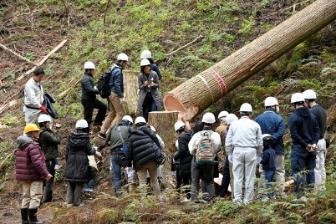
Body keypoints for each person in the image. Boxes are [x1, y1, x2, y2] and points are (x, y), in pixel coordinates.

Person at [225, 103, 263, 205]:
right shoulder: (255, 125)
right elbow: (260, 142)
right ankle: (247, 201)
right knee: (250, 177)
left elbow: (228, 141)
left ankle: (237, 200)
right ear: (250, 114)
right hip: (251, 150)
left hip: (237, 150)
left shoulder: (234, 124)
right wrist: (259, 154)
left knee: (237, 177)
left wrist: (229, 153)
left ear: (240, 113)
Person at [15, 124, 52, 224]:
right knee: (35, 196)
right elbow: (38, 163)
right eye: (36, 131)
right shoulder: (33, 146)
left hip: (24, 176)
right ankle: (33, 220)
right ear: (31, 133)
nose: (38, 132)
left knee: (26, 196)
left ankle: (24, 220)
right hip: (34, 176)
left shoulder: (20, 145)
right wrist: (46, 174)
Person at [64, 119, 101, 207]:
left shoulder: (70, 138)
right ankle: (77, 202)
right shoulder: (85, 139)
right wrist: (94, 150)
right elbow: (89, 151)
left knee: (70, 181)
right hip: (81, 161)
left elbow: (67, 151)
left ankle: (68, 202)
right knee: (79, 181)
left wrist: (68, 161)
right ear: (85, 128)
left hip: (71, 160)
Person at [289, 93, 319, 196]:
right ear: (304, 102)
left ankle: (300, 197)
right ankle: (311, 195)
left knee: (298, 172)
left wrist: (306, 145)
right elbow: (317, 131)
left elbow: (295, 135)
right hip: (312, 149)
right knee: (310, 171)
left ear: (294, 104)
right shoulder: (312, 115)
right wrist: (314, 144)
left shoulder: (294, 117)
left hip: (299, 149)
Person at [256, 97, 286, 194]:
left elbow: (256, 135)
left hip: (263, 150)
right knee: (279, 171)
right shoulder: (279, 118)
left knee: (263, 171)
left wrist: (265, 140)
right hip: (278, 149)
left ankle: (263, 194)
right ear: (274, 106)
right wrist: (271, 138)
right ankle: (279, 193)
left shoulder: (258, 119)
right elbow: (280, 133)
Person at [189, 112, 221, 202]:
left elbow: (191, 149)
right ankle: (210, 200)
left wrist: (197, 154)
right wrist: (211, 154)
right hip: (209, 161)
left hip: (197, 160)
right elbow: (218, 147)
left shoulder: (196, 135)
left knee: (194, 181)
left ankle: (193, 201)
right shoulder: (215, 135)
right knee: (209, 181)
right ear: (213, 123)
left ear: (203, 122)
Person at [128, 116, 162, 198]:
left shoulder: (132, 136)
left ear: (135, 125)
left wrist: (129, 162)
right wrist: (159, 152)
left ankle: (144, 204)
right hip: (152, 159)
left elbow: (129, 151)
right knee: (154, 180)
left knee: (142, 182)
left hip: (140, 162)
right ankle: (159, 200)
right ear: (145, 123)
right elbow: (157, 142)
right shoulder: (150, 131)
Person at [99, 53, 129, 138]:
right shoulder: (118, 71)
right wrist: (121, 96)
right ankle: (110, 133)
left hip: (109, 94)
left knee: (112, 113)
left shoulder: (112, 68)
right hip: (115, 94)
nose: (125, 64)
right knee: (121, 113)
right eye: (125, 62)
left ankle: (102, 131)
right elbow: (117, 84)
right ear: (122, 62)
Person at [303, 89, 327, 191]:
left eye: (305, 101)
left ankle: (317, 190)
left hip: (315, 141)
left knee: (316, 167)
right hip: (323, 141)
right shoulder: (322, 110)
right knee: (322, 166)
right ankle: (323, 187)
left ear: (308, 100)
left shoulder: (311, 112)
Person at [105, 115, 133, 196]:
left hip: (114, 154)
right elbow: (134, 137)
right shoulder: (128, 128)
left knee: (117, 176)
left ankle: (119, 194)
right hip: (124, 153)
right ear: (128, 122)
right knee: (129, 171)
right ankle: (131, 191)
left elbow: (106, 140)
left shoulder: (113, 127)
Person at [37, 114, 60, 203]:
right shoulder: (45, 133)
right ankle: (46, 199)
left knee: (47, 178)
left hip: (47, 158)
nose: (49, 124)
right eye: (48, 122)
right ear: (44, 123)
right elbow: (57, 140)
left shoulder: (43, 133)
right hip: (49, 158)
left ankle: (44, 198)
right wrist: (57, 131)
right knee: (49, 178)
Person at [81, 61, 107, 131]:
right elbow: (89, 89)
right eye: (93, 70)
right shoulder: (86, 78)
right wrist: (97, 90)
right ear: (89, 70)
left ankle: (97, 122)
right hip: (87, 100)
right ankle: (84, 132)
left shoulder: (89, 77)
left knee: (103, 107)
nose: (94, 71)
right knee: (88, 117)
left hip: (91, 99)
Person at [219, 113, 238, 198]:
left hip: (229, 155)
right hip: (235, 155)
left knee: (226, 176)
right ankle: (234, 195)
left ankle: (222, 194)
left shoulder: (225, 130)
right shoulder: (235, 129)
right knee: (234, 176)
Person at [173, 120, 193, 199]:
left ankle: (188, 197)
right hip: (191, 159)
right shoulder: (190, 135)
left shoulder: (181, 137)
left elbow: (182, 150)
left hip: (184, 161)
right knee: (192, 179)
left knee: (185, 180)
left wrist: (175, 157)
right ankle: (193, 196)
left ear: (177, 130)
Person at [260, 134, 276, 199]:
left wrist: (259, 161)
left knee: (267, 183)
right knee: (271, 182)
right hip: (273, 169)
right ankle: (272, 195)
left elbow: (264, 161)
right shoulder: (273, 150)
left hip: (267, 169)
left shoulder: (266, 152)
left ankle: (267, 197)